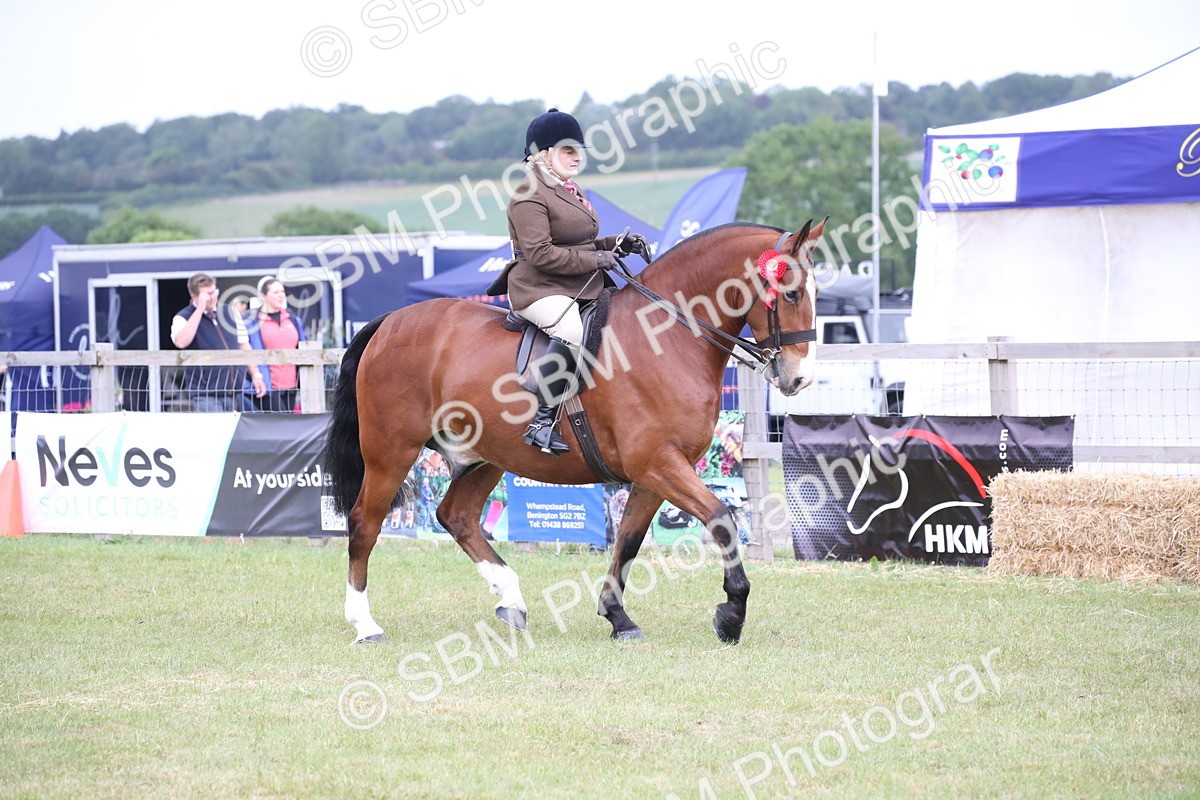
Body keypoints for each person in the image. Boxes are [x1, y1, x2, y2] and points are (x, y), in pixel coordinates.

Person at [491, 108, 647, 455]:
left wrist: (616, 246)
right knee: (572, 332)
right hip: (538, 287)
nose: (577, 157)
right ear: (544, 154)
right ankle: (541, 423)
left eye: (578, 150)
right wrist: (595, 259)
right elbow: (542, 254)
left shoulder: (567, 188)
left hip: (575, 283)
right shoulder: (528, 194)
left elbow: (578, 243)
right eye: (568, 150)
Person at [170, 272, 264, 412]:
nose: (213, 297)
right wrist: (200, 309)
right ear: (194, 296)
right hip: (205, 393)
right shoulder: (183, 317)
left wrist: (255, 375)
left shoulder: (230, 312)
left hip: (234, 391)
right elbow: (181, 342)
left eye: (214, 291)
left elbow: (243, 344)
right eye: (207, 294)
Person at [244, 276, 305, 413]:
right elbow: (245, 348)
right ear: (263, 296)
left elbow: (302, 346)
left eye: (282, 292)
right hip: (267, 385)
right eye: (276, 292)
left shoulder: (292, 319)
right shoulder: (252, 320)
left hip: (291, 385)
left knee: (287, 423)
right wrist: (255, 375)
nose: (281, 296)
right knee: (280, 424)